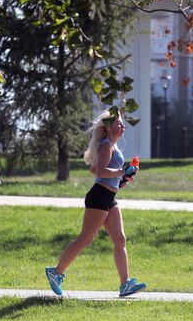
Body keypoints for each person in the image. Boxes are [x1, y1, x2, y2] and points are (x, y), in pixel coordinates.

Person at [45, 111, 146, 297]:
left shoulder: (112, 147)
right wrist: (121, 171)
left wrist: (124, 178)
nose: (123, 127)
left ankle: (125, 284)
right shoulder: (106, 145)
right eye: (118, 123)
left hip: (110, 198)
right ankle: (56, 272)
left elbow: (95, 169)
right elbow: (100, 171)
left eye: (123, 124)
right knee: (85, 239)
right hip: (99, 197)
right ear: (108, 127)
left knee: (120, 239)